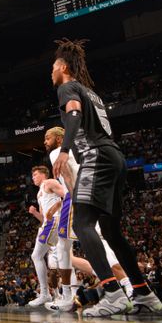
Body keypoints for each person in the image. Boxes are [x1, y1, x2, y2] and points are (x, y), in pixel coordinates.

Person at [51, 38, 162, 316]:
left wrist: (64, 150)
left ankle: (112, 292)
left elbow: (73, 113)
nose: (50, 72)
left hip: (96, 158)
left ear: (63, 66)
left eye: (53, 67)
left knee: (84, 223)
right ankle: (143, 291)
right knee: (112, 231)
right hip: (115, 157)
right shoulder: (92, 93)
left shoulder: (67, 87)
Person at [44, 126, 131, 312]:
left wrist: (77, 200)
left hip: (74, 198)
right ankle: (128, 285)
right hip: (88, 195)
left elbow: (67, 175)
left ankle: (68, 296)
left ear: (59, 139)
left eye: (47, 137)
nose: (45, 141)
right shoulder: (76, 150)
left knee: (67, 247)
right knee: (81, 243)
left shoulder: (58, 153)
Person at [26, 166, 66, 306]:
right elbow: (44, 218)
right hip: (48, 224)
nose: (33, 177)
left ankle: (46, 294)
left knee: (37, 256)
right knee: (59, 260)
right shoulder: (39, 194)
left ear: (43, 174)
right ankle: (56, 294)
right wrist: (35, 213)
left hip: (55, 221)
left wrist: (55, 207)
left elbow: (67, 195)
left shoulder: (49, 182)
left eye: (35, 174)